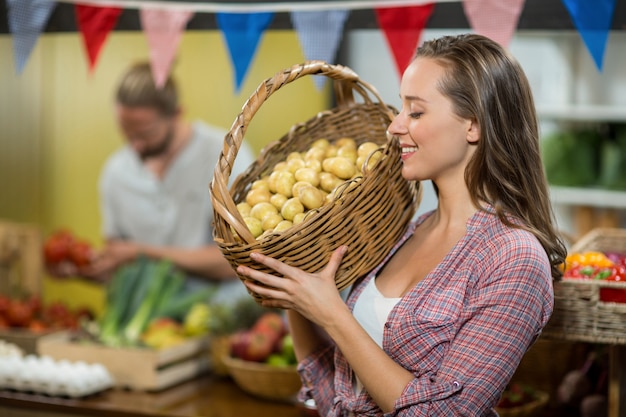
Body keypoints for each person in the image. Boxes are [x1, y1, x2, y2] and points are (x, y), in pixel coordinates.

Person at [235, 34, 567, 416]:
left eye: (416, 112)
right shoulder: (405, 232)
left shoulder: (514, 259)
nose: (394, 126)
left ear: (473, 125)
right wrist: (295, 293)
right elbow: (341, 399)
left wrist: (332, 313)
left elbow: (443, 414)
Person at [61, 61, 256, 303]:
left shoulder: (224, 155)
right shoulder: (115, 173)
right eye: (126, 133)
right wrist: (84, 270)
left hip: (219, 316)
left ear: (177, 114)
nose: (136, 145)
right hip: (147, 323)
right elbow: (121, 270)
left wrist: (141, 253)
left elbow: (242, 260)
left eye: (146, 133)